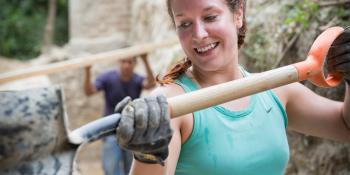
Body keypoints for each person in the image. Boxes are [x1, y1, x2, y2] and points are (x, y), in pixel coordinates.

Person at [114, 0, 350, 175]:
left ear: (238, 13)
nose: (199, 34)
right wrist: (147, 153)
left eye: (210, 17)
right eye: (184, 23)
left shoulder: (275, 90)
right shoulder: (172, 105)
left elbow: (344, 126)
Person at [84, 53, 156, 175]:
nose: (126, 65)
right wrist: (87, 70)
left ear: (134, 64)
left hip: (131, 130)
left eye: (130, 62)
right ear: (118, 62)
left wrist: (145, 60)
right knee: (111, 168)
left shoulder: (137, 79)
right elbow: (89, 91)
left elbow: (151, 84)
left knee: (132, 169)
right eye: (123, 61)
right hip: (110, 130)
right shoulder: (108, 78)